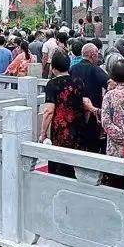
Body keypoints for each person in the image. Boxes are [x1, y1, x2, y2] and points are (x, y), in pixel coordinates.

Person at [40, 48, 88, 177]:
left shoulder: (52, 84)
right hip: (78, 126)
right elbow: (85, 104)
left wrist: (43, 133)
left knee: (60, 163)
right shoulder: (78, 82)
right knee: (76, 163)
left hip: (62, 128)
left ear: (54, 67)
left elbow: (49, 111)